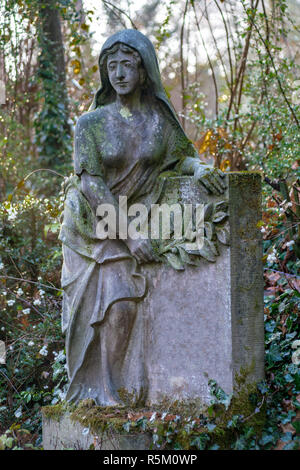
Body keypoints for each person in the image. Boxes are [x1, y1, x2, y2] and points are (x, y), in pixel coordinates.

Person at [59, 29, 225, 406]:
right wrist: (129, 235)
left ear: (143, 70)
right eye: (111, 66)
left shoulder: (158, 122)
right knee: (112, 301)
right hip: (89, 225)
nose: (118, 74)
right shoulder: (91, 124)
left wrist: (197, 169)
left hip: (128, 217)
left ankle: (111, 388)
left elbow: (178, 156)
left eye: (127, 64)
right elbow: (91, 186)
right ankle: (101, 391)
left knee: (122, 301)